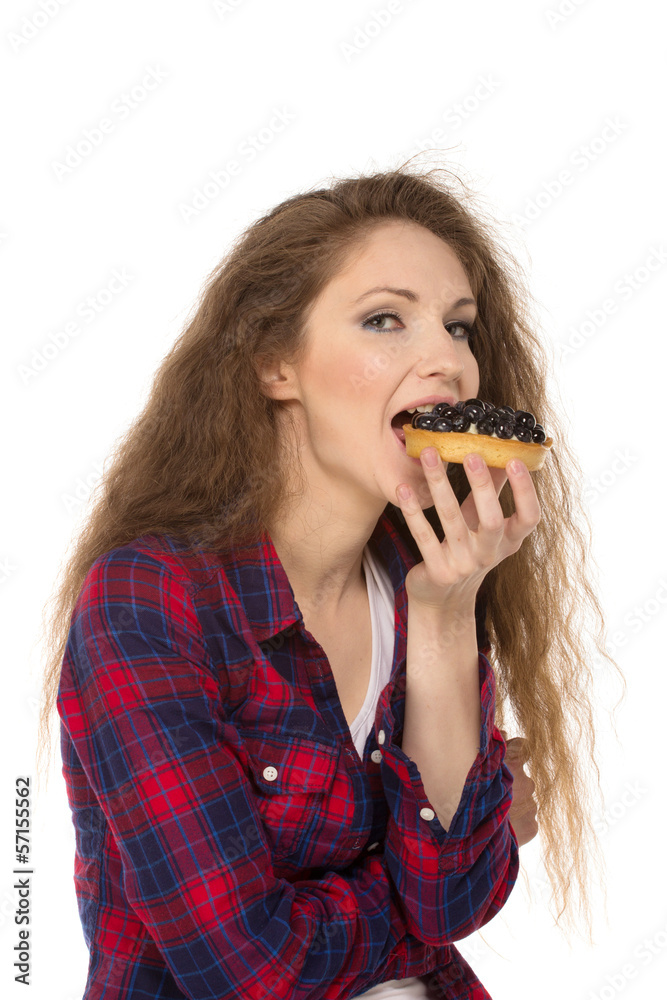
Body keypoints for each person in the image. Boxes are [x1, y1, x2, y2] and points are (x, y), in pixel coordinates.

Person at [38, 164, 621, 999]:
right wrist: (446, 863)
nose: (448, 362)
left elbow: (453, 899)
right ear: (275, 363)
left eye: (458, 327)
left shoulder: (426, 577)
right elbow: (250, 970)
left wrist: (447, 613)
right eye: (385, 319)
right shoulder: (148, 601)